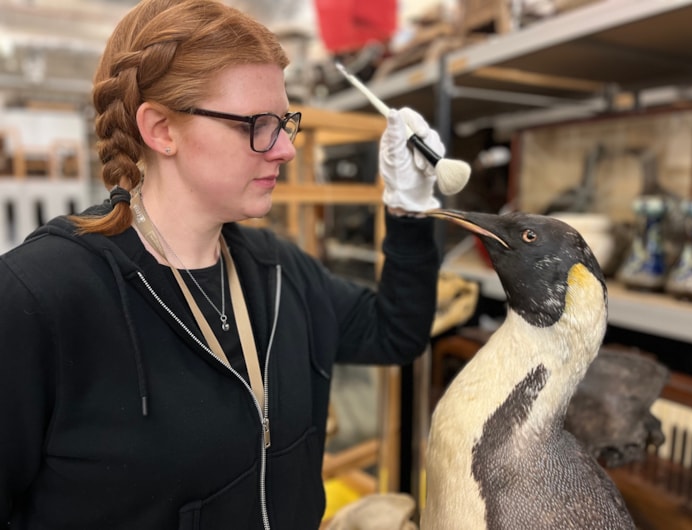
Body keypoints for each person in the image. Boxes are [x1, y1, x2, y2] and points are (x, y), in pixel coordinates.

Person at [0, 1, 444, 528]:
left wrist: (409, 211)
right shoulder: (39, 297)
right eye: (257, 125)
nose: (285, 150)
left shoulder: (282, 273)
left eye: (285, 123)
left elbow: (397, 332)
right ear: (161, 129)